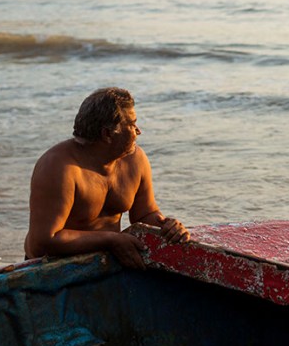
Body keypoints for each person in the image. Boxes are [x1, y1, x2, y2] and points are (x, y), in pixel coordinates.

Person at [24, 87, 189, 269]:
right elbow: (43, 242)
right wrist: (111, 239)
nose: (138, 131)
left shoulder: (135, 159)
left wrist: (167, 226)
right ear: (108, 134)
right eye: (132, 124)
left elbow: (144, 214)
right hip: (51, 268)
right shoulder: (59, 167)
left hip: (106, 261)